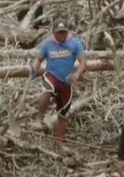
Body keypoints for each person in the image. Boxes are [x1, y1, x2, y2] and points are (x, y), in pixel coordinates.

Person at [30, 19, 87, 148]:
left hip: (66, 82)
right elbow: (39, 59)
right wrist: (35, 67)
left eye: (63, 33)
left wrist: (77, 74)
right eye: (58, 33)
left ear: (67, 32)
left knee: (63, 114)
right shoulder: (47, 44)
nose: (61, 35)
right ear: (53, 32)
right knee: (47, 91)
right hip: (52, 75)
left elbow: (83, 61)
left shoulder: (75, 43)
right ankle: (39, 119)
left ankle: (59, 142)